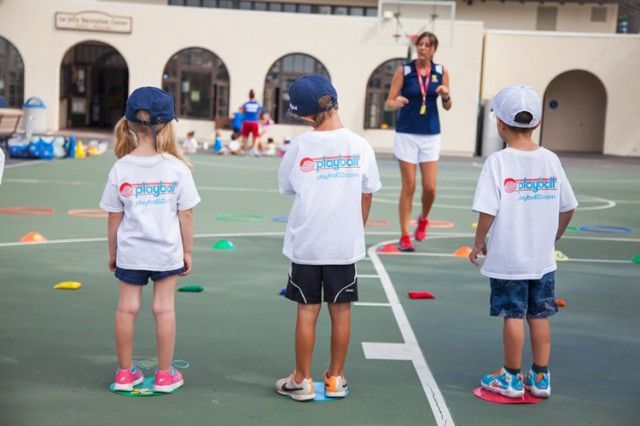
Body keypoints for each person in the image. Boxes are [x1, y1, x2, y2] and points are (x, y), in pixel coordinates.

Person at [275, 74, 381, 401]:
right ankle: (335, 378)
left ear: (305, 115)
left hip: (307, 244)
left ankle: (302, 379)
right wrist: (355, 227)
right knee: (342, 311)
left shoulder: (300, 145)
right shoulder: (360, 145)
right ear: (335, 100)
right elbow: (367, 194)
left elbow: (288, 186)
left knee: (307, 311)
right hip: (343, 245)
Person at [469, 85, 578, 399]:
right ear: (537, 123)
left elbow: (487, 210)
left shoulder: (498, 162)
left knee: (513, 315)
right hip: (541, 259)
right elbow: (568, 205)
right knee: (540, 315)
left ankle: (512, 377)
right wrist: (556, 233)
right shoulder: (550, 160)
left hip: (509, 258)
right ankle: (541, 377)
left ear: (500, 124)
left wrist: (478, 242)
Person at [99, 87, 201, 394]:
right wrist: (188, 252)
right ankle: (165, 375)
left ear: (128, 123)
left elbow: (114, 217)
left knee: (126, 309)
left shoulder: (121, 167)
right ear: (167, 124)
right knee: (164, 309)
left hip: (131, 252)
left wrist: (113, 252)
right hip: (166, 252)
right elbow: (186, 216)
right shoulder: (177, 168)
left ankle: (125, 374)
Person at [385, 31, 452, 252]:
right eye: (420, 44)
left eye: (427, 45)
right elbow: (388, 103)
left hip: (431, 134)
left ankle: (423, 219)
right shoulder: (404, 71)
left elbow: (448, 105)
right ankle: (405, 235)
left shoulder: (441, 72)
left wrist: (444, 95)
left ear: (434, 49)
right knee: (409, 186)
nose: (422, 48)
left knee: (430, 188)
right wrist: (397, 102)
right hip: (406, 134)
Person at [240, 90, 262, 156]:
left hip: (246, 122)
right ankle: (254, 149)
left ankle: (245, 151)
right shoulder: (257, 104)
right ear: (254, 96)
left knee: (245, 136)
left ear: (249, 96)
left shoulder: (246, 104)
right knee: (256, 136)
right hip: (254, 122)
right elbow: (259, 113)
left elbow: (242, 111)